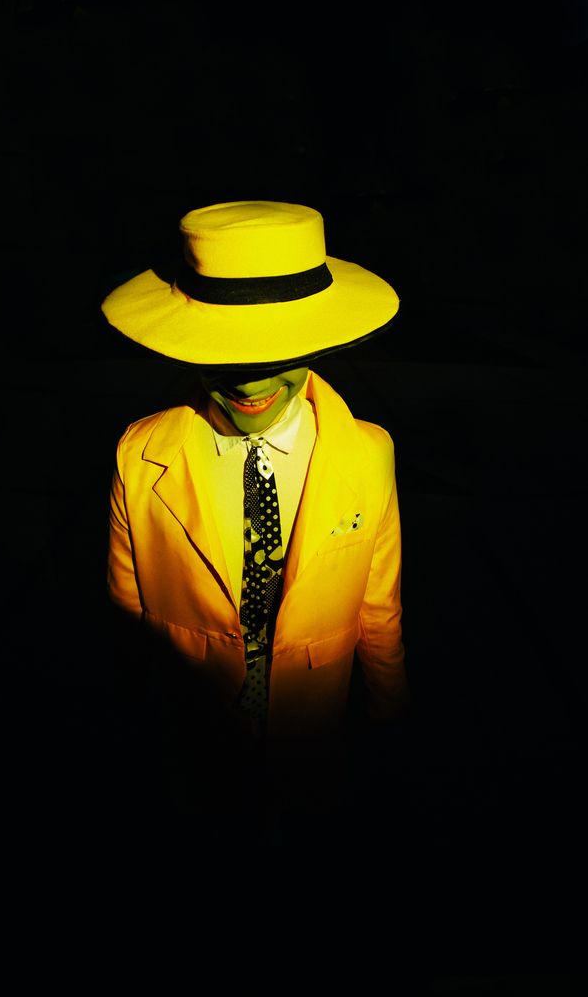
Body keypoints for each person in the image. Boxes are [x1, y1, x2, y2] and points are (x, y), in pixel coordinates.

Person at [102, 200, 410, 836]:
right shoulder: (138, 456)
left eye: (280, 348)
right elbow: (125, 615)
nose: (250, 382)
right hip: (188, 742)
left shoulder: (369, 454)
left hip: (314, 739)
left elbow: (379, 609)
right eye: (224, 351)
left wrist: (391, 720)